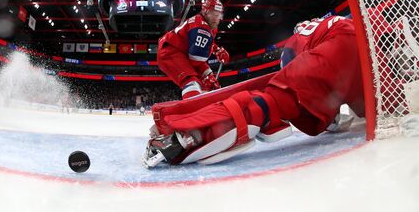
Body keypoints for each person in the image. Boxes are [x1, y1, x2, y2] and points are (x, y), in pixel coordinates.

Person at [143, 15, 365, 168]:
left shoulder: (300, 38)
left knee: (274, 100)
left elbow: (297, 76)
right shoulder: (340, 23)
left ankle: (185, 137)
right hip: (366, 55)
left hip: (338, 50)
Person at [157, 0, 230, 99]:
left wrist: (217, 50)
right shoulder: (201, 27)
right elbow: (195, 60)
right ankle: (194, 113)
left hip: (180, 51)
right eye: (213, 14)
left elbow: (205, 43)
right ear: (205, 12)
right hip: (170, 51)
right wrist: (207, 75)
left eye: (218, 15)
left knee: (207, 85)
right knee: (192, 83)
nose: (216, 18)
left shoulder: (209, 26)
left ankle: (207, 110)